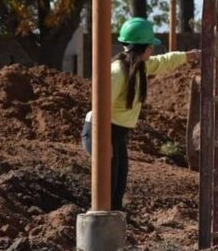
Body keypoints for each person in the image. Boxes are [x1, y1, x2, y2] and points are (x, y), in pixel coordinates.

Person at [81, 17, 199, 211]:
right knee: (106, 187)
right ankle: (99, 231)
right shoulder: (117, 72)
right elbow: (100, 108)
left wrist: (191, 56)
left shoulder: (141, 66)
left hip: (117, 133)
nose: (153, 50)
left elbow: (164, 61)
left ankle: (116, 228)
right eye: (151, 46)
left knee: (118, 184)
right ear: (142, 47)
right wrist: (103, 143)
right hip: (99, 130)